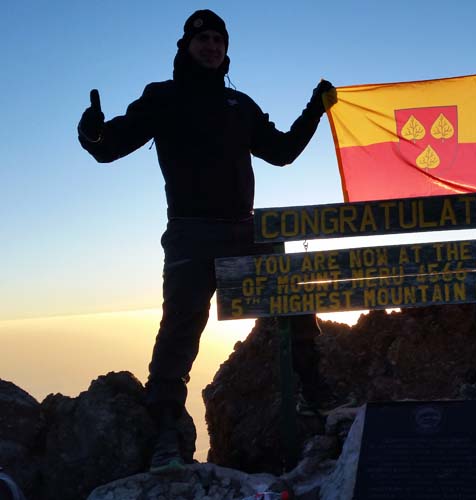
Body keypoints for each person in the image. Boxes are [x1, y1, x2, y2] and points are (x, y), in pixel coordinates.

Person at [77, 9, 336, 473]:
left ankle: (315, 396)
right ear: (186, 47)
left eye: (218, 39)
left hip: (244, 229)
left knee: (292, 297)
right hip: (190, 234)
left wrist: (316, 107)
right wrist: (91, 131)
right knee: (178, 335)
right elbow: (110, 147)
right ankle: (165, 435)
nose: (211, 46)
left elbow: (282, 153)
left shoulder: (240, 106)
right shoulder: (163, 98)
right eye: (203, 39)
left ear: (225, 50)